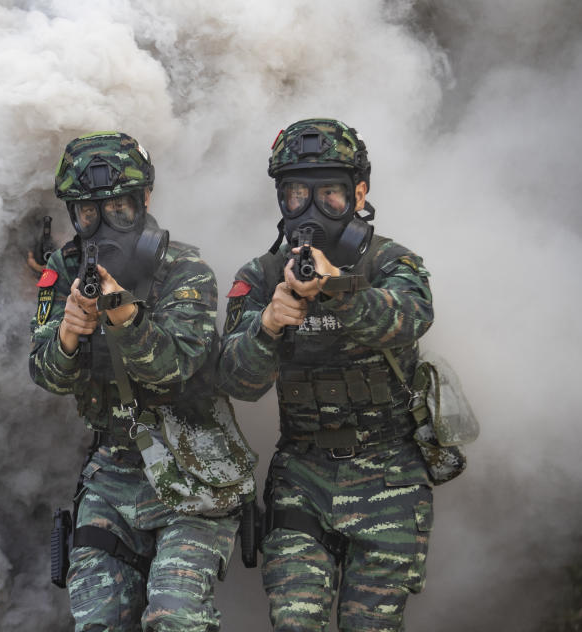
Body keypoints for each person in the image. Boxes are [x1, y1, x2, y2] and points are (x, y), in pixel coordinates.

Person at [30, 131, 254, 632]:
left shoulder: (185, 270)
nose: (105, 223)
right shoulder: (62, 274)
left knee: (175, 618)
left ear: (144, 200)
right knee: (99, 622)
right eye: (89, 213)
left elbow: (175, 365)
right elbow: (44, 373)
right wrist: (67, 335)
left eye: (119, 208)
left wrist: (125, 316)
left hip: (195, 465)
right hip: (112, 472)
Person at [217, 118, 435, 631]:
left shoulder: (391, 262)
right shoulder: (261, 276)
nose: (311, 209)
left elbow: (410, 317)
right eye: (296, 194)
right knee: (295, 621)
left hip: (389, 474)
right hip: (303, 475)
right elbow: (237, 384)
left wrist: (337, 288)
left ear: (360, 192)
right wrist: (267, 327)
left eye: (330, 194)